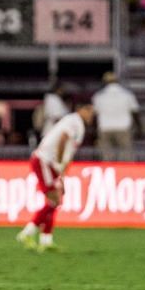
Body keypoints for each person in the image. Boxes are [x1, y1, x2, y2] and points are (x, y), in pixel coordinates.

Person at [17, 100, 96, 252]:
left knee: (56, 200)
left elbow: (69, 153)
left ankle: (46, 240)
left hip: (52, 165)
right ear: (81, 109)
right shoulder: (74, 121)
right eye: (90, 111)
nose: (91, 115)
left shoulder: (78, 124)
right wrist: (58, 162)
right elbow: (63, 139)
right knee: (53, 199)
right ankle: (27, 233)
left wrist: (62, 175)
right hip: (44, 161)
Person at [92, 71, 142, 161]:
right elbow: (135, 112)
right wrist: (139, 128)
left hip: (105, 127)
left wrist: (94, 131)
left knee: (107, 157)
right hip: (123, 128)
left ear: (104, 82)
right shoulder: (127, 95)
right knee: (126, 157)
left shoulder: (99, 96)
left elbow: (95, 115)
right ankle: (125, 174)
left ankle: (109, 173)